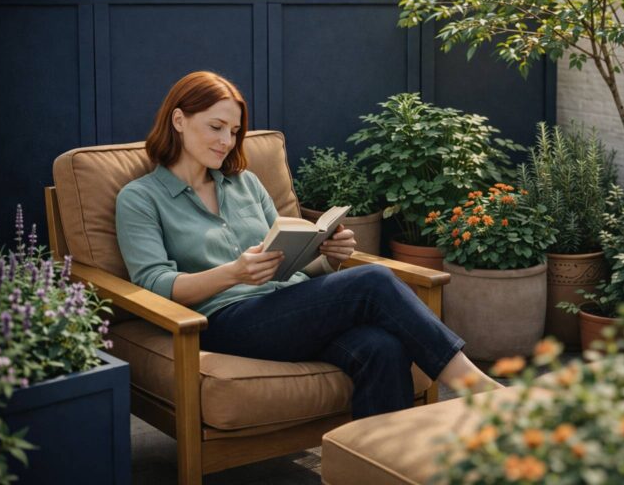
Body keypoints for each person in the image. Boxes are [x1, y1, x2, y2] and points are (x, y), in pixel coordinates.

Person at [115, 71, 499, 419]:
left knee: (381, 348)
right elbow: (154, 283)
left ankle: (380, 465)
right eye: (216, 127)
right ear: (178, 120)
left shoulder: (245, 183)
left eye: (233, 131)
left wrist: (328, 259)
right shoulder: (141, 198)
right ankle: (480, 391)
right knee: (373, 281)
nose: (226, 141)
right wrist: (233, 273)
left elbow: (286, 265)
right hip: (224, 321)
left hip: (286, 308)